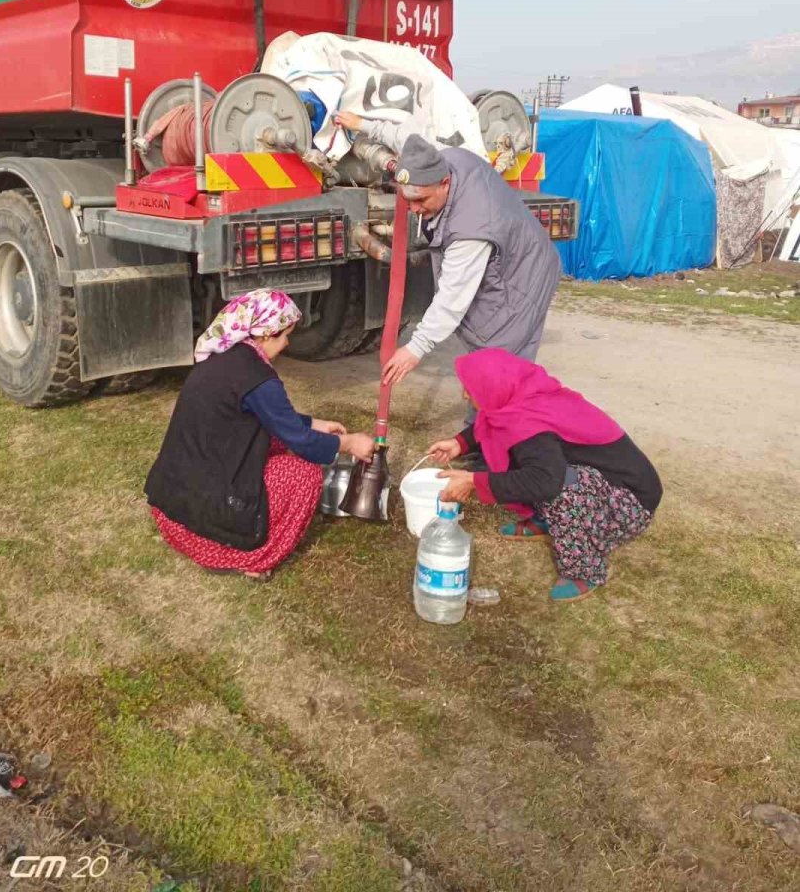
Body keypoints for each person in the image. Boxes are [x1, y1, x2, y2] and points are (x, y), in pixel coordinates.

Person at [145, 289, 375, 580]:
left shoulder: (226, 356)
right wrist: (350, 443)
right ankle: (249, 558)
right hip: (207, 512)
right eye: (285, 335)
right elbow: (302, 443)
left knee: (273, 439)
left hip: (172, 508)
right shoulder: (258, 378)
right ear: (266, 334)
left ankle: (215, 533)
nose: (287, 343)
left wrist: (314, 423)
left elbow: (270, 416)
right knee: (303, 473)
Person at [333, 114, 560, 389]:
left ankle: (495, 414)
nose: (414, 208)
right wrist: (362, 125)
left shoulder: (471, 228)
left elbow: (452, 297)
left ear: (444, 183)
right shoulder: (441, 158)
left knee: (499, 371)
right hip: (512, 256)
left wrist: (415, 348)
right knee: (486, 370)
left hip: (523, 279)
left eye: (421, 199)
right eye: (408, 199)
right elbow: (409, 140)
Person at [425, 349, 662, 602]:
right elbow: (493, 421)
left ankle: (584, 570)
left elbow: (546, 481)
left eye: (470, 389)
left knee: (560, 484)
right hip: (600, 481)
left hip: (629, 504)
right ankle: (548, 520)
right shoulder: (524, 397)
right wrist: (460, 443)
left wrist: (474, 481)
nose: (465, 394)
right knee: (529, 459)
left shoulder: (531, 424)